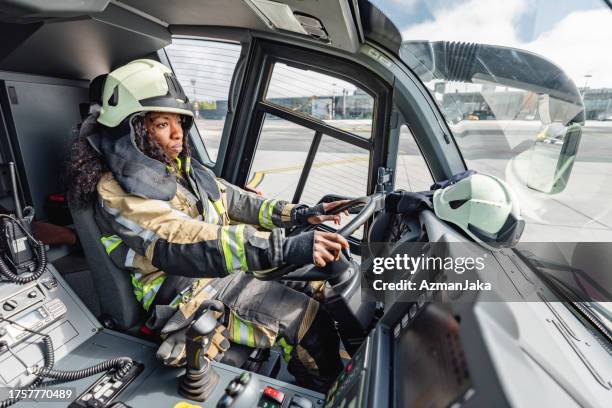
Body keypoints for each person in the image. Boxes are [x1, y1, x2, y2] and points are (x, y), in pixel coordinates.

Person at [66, 59, 349, 390]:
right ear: (134, 130)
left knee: (321, 286)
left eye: (180, 123)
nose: (177, 134)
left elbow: (235, 200)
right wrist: (281, 246)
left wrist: (302, 214)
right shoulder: (115, 189)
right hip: (184, 290)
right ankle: (324, 393)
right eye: (161, 125)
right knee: (306, 324)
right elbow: (181, 239)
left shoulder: (179, 166)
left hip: (221, 268)